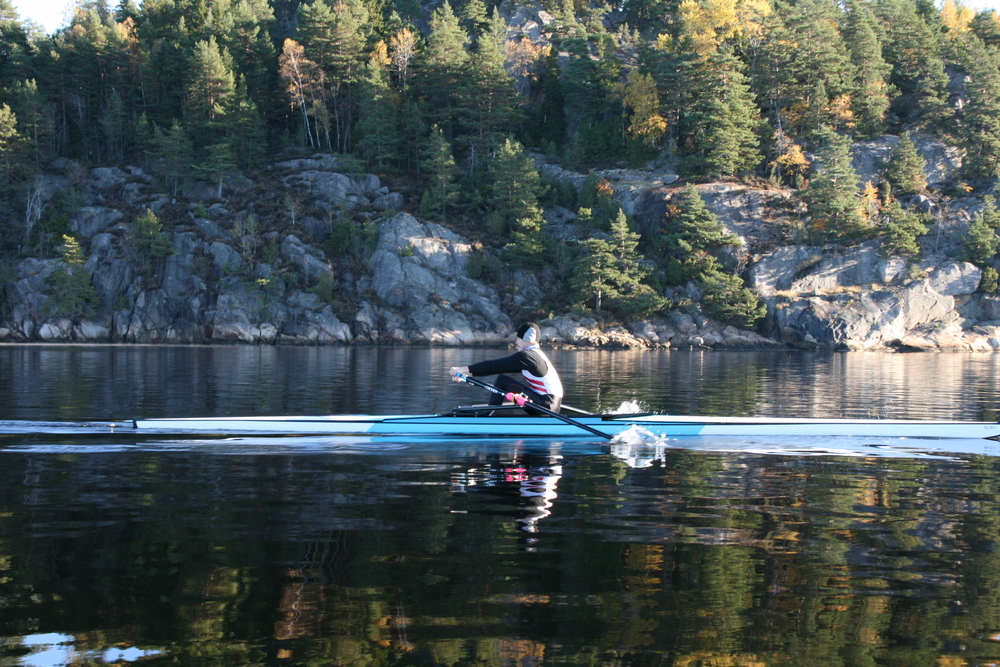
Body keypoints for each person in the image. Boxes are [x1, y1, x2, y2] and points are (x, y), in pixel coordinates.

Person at [449, 322, 564, 414]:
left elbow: (494, 366)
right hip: (551, 405)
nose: (516, 342)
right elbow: (498, 368)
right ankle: (491, 413)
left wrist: (462, 370)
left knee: (502, 380)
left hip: (546, 405)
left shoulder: (527, 357)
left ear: (527, 339)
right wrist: (468, 375)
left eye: (519, 338)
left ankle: (489, 416)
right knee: (503, 380)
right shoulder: (535, 356)